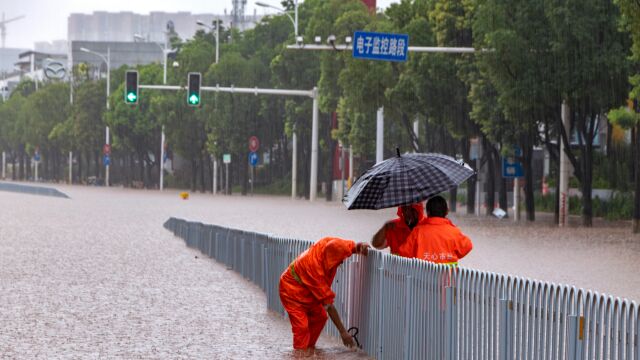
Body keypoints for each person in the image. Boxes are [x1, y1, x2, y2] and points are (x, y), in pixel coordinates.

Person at [279, 237, 370, 352]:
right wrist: (343, 332)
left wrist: (359, 247)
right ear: (330, 260)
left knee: (320, 317)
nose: (342, 262)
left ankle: (309, 349)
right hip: (290, 291)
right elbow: (328, 305)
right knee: (301, 327)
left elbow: (351, 247)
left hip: (308, 291)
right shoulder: (314, 268)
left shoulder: (333, 244)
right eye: (338, 261)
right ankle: (300, 353)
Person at [399, 196, 473, 265]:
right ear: (447, 211)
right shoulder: (454, 232)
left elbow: (404, 252)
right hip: (446, 278)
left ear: (427, 212)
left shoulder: (418, 231)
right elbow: (467, 246)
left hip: (422, 278)